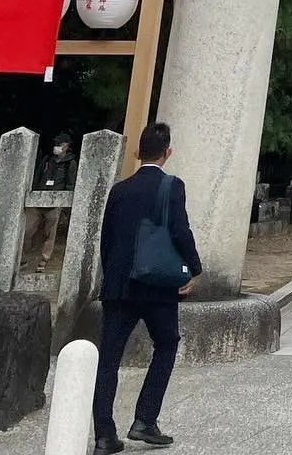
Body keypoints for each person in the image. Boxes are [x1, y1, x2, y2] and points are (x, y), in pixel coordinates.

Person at [92, 121, 201, 452]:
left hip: (119, 286)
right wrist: (193, 269)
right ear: (168, 152)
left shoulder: (120, 190)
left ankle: (104, 434)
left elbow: (106, 238)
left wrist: (111, 276)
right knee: (166, 345)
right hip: (156, 286)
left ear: (139, 152)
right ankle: (144, 419)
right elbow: (180, 231)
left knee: (108, 358)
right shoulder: (172, 186)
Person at [24, 131, 77, 270]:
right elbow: (37, 177)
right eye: (56, 143)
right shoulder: (48, 160)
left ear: (67, 146)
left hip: (55, 202)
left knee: (50, 233)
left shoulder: (70, 163)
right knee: (29, 229)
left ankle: (44, 259)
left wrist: (65, 205)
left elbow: (70, 183)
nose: (57, 146)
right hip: (39, 199)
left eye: (60, 144)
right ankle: (24, 256)